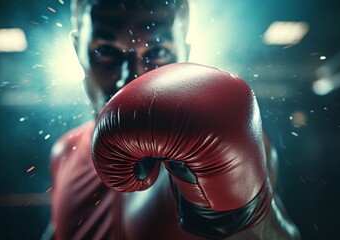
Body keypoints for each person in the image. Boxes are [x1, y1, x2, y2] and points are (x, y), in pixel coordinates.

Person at [46, 0, 301, 239]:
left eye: (157, 51)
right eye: (105, 50)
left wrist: (241, 214)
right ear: (77, 50)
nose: (131, 76)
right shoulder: (64, 152)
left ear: (184, 53)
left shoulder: (220, 142)